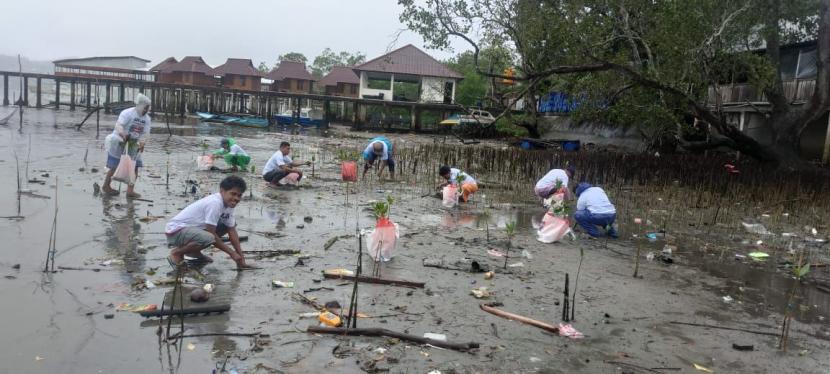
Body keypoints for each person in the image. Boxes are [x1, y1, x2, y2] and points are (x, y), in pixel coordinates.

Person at [165, 175, 252, 269]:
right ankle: (176, 253)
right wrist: (232, 253)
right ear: (222, 191)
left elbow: (231, 230)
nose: (236, 198)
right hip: (176, 232)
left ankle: (193, 251)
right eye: (233, 194)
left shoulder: (228, 204)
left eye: (239, 195)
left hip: (191, 230)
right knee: (209, 237)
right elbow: (211, 234)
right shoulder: (215, 203)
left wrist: (241, 259)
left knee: (224, 226)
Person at [102, 93, 152, 198]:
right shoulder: (127, 113)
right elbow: (118, 125)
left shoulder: (147, 119)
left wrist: (142, 143)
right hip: (119, 141)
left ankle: (130, 191)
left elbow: (145, 133)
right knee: (114, 166)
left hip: (134, 143)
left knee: (136, 167)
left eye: (148, 108)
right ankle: (106, 186)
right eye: (145, 107)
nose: (146, 110)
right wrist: (123, 134)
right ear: (140, 105)